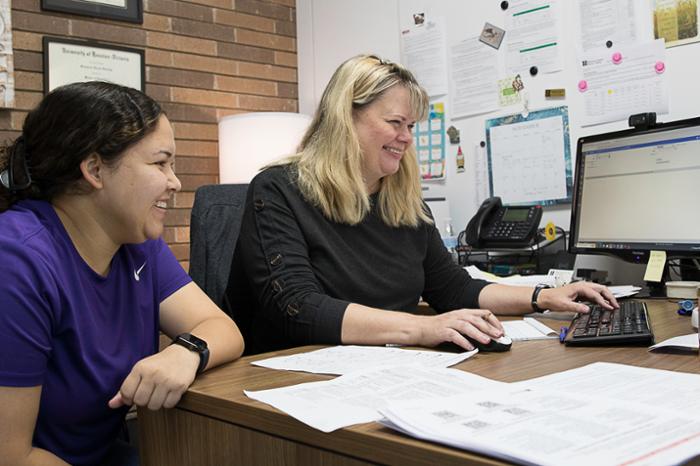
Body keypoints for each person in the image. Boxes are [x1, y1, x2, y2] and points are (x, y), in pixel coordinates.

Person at [225, 54, 617, 355]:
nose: (407, 137)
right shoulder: (278, 190)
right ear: (346, 119)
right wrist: (424, 329)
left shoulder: (403, 202)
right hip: (290, 379)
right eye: (396, 122)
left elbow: (452, 288)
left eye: (411, 126)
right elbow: (300, 308)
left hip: (386, 368)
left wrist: (541, 297)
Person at [0, 81, 244, 466]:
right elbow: (11, 456)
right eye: (160, 163)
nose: (175, 182)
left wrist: (186, 352)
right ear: (95, 169)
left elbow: (221, 326)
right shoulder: (16, 260)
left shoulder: (137, 243)